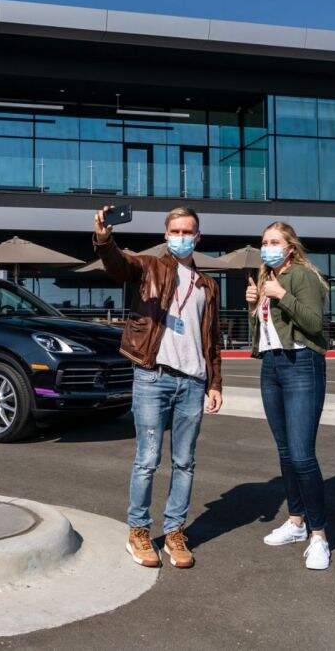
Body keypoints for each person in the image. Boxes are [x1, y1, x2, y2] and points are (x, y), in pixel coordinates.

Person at [93, 205, 223, 569]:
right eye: (175, 231)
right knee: (147, 460)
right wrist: (105, 239)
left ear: (197, 237)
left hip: (193, 383)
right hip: (154, 377)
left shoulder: (207, 285)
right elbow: (119, 264)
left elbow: (212, 340)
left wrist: (215, 383)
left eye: (188, 232)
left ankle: (175, 530)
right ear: (166, 235)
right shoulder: (150, 267)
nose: (181, 238)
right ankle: (138, 530)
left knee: (185, 461)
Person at [245, 221, 332, 570]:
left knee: (301, 456)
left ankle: (319, 535)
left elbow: (313, 323)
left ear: (290, 247)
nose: (268, 246)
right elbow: (267, 331)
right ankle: (296, 522)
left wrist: (281, 296)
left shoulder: (300, 277)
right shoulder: (268, 280)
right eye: (264, 241)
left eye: (275, 241)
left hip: (301, 364)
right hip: (273, 366)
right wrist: (255, 303)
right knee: (284, 452)